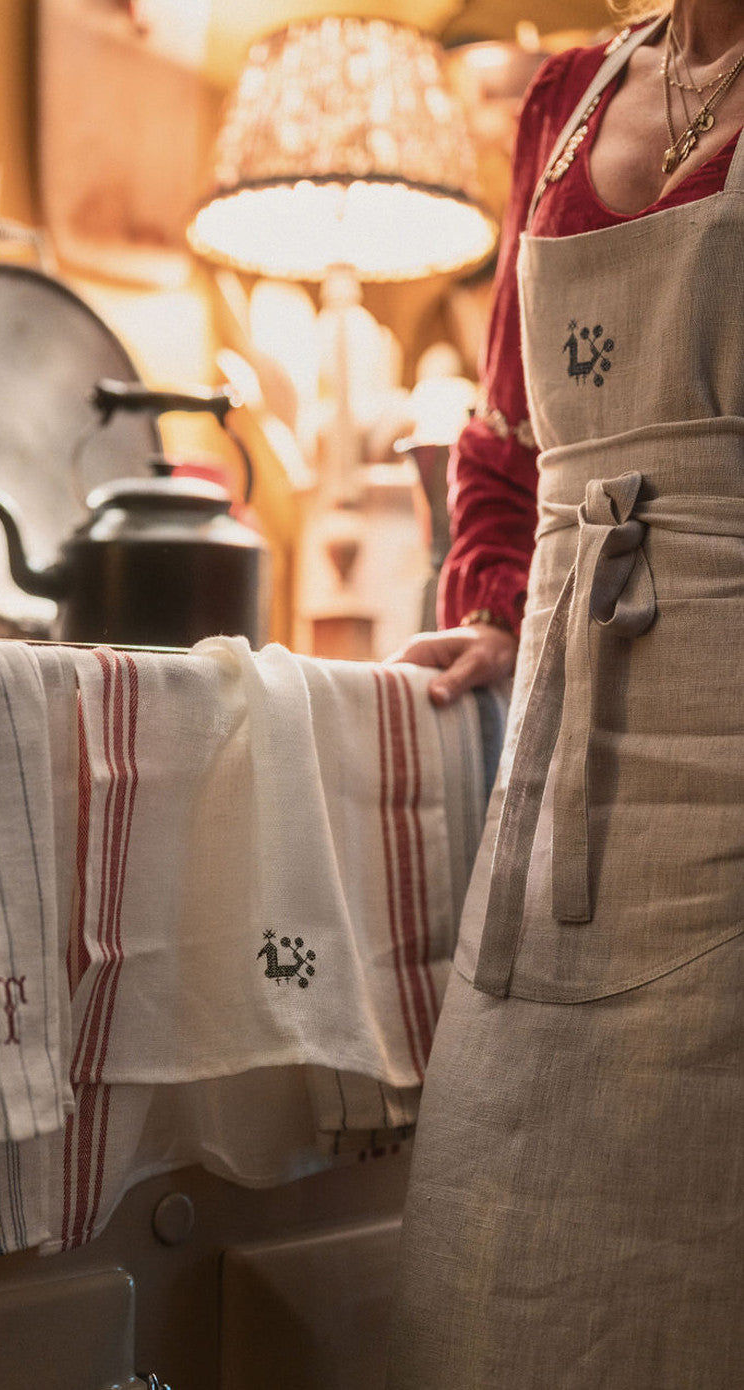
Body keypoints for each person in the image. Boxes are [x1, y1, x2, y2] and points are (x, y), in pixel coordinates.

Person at [385, 4, 744, 1385]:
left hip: (728, 711)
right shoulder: (564, 100)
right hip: (557, 730)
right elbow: (501, 436)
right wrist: (483, 602)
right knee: (503, 1204)